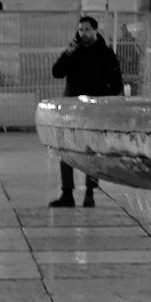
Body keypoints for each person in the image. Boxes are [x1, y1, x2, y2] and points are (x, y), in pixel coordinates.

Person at [49, 16, 124, 207]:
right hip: (71, 107)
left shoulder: (106, 54)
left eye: (87, 30)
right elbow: (57, 72)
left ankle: (89, 192)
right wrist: (67, 53)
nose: (84, 33)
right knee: (65, 149)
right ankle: (67, 193)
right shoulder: (74, 52)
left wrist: (101, 100)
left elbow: (116, 84)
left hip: (93, 109)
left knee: (91, 152)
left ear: (96, 30)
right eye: (81, 30)